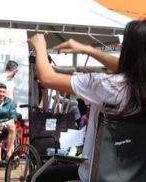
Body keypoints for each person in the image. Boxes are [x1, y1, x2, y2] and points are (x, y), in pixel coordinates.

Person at [28, 20, 146, 182]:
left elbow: (47, 78)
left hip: (97, 174)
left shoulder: (106, 85)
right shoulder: (137, 85)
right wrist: (88, 50)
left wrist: (39, 47)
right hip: (136, 174)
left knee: (36, 178)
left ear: (128, 50)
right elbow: (130, 67)